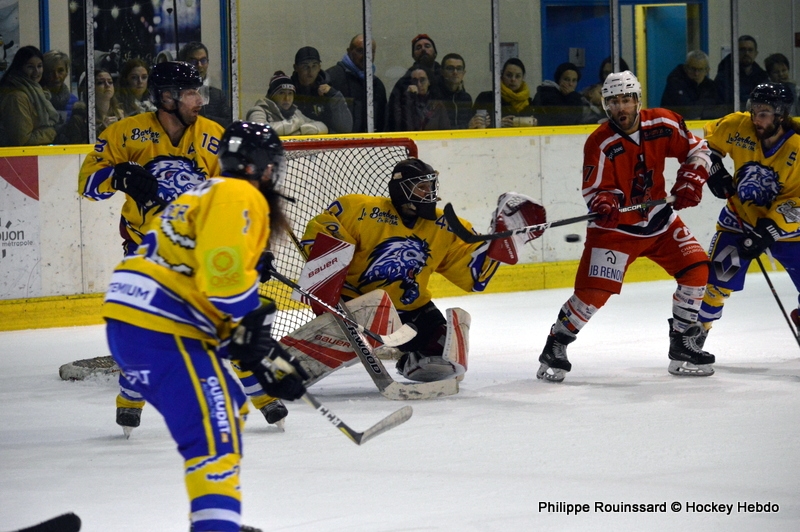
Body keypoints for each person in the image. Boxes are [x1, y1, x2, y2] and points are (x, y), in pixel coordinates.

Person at [103, 120, 308, 532]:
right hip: (160, 323)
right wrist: (259, 345)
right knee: (213, 436)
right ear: (266, 167)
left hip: (139, 317)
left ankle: (216, 522)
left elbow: (209, 278)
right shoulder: (238, 194)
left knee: (226, 408)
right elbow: (223, 277)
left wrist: (260, 346)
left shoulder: (206, 190)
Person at [79, 62, 295, 432]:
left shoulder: (214, 137)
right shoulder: (125, 133)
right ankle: (130, 396)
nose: (200, 100)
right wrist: (118, 175)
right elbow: (87, 184)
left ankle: (263, 396)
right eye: (192, 93)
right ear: (167, 97)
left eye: (200, 92)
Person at [536, 70, 716, 383]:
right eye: (614, 101)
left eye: (626, 100)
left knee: (696, 269)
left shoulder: (663, 122)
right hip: (617, 229)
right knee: (591, 296)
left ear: (637, 101)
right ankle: (556, 345)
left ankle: (682, 345)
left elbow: (699, 149)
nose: (621, 107)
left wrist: (692, 177)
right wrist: (604, 204)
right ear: (606, 105)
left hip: (659, 220)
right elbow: (595, 190)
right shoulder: (600, 141)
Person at [300, 158, 511, 382]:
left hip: (410, 311)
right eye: (421, 187)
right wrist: (330, 302)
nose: (429, 193)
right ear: (402, 189)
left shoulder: (444, 225)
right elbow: (320, 243)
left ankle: (406, 360)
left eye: (431, 186)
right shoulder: (360, 210)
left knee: (446, 362)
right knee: (297, 370)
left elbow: (473, 275)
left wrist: (501, 243)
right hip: (358, 308)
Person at [698, 83, 800, 342]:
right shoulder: (737, 125)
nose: (756, 118)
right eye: (754, 110)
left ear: (781, 114)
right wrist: (714, 169)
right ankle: (694, 334)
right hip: (740, 218)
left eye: (764, 113)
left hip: (789, 229)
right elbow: (704, 145)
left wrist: (771, 228)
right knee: (717, 281)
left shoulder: (797, 148)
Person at [0, 45, 60, 147]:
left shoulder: (39, 92)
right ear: (19, 68)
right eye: (30, 67)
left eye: (39, 66)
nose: (36, 72)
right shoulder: (17, 97)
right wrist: (51, 132)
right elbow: (22, 140)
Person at [325, 34, 387, 133]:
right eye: (360, 51)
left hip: (371, 145)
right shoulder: (332, 77)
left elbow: (382, 123)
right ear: (349, 51)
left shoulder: (377, 85)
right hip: (339, 145)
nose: (366, 56)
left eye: (370, 52)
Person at [290, 46, 352, 134]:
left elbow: (345, 128)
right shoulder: (288, 92)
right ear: (296, 68)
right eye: (305, 66)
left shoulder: (330, 90)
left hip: (326, 144)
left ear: (319, 67)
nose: (310, 71)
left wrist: (334, 95)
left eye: (314, 66)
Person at [245, 70, 328, 135]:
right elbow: (260, 130)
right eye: (281, 93)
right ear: (272, 96)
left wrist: (301, 130)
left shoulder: (295, 113)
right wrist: (296, 124)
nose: (287, 98)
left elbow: (323, 127)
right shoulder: (258, 110)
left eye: (290, 93)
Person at [386, 34, 441, 131]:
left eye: (427, 46)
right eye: (418, 47)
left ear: (435, 52)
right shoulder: (403, 83)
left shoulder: (445, 79)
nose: (423, 49)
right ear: (413, 56)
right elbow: (395, 119)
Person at [56, 68, 125, 144]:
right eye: (100, 82)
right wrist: (100, 131)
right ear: (90, 88)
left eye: (110, 82)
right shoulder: (79, 119)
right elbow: (78, 151)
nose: (107, 85)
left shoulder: (121, 115)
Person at [178, 41, 232, 127]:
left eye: (203, 60)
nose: (199, 65)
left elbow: (228, 123)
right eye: (193, 62)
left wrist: (203, 118)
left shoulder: (217, 95)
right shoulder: (176, 94)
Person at [472, 58, 537, 128]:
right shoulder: (486, 99)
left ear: (523, 78)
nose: (513, 79)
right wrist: (496, 124)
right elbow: (474, 127)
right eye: (509, 75)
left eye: (517, 76)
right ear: (502, 76)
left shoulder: (530, 104)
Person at [660, 50, 724, 120]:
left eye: (700, 69)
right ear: (686, 68)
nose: (696, 73)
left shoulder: (711, 87)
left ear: (707, 71)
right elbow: (688, 112)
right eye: (693, 69)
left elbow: (718, 110)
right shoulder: (675, 85)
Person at [389, 64, 450, 131]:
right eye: (415, 81)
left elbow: (445, 129)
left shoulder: (437, 105)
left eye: (422, 80)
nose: (419, 84)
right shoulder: (401, 102)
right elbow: (406, 126)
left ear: (429, 82)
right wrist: (409, 97)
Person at [715, 35, 769, 110]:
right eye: (742, 50)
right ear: (735, 53)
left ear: (756, 53)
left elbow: (766, 100)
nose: (746, 53)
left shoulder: (762, 76)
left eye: (750, 50)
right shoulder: (724, 76)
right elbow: (729, 102)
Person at [531, 62, 588, 126]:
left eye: (574, 80)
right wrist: (572, 96)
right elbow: (565, 120)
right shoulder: (547, 94)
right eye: (567, 79)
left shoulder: (574, 96)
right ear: (558, 80)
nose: (571, 84)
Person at [431, 53, 474, 129]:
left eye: (459, 68)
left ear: (463, 73)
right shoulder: (433, 96)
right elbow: (436, 129)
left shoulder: (466, 98)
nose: (455, 72)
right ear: (442, 72)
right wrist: (466, 127)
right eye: (450, 68)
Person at [42, 49, 78, 122]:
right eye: (51, 72)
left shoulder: (74, 102)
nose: (56, 76)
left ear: (66, 72)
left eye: (60, 71)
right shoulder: (37, 99)